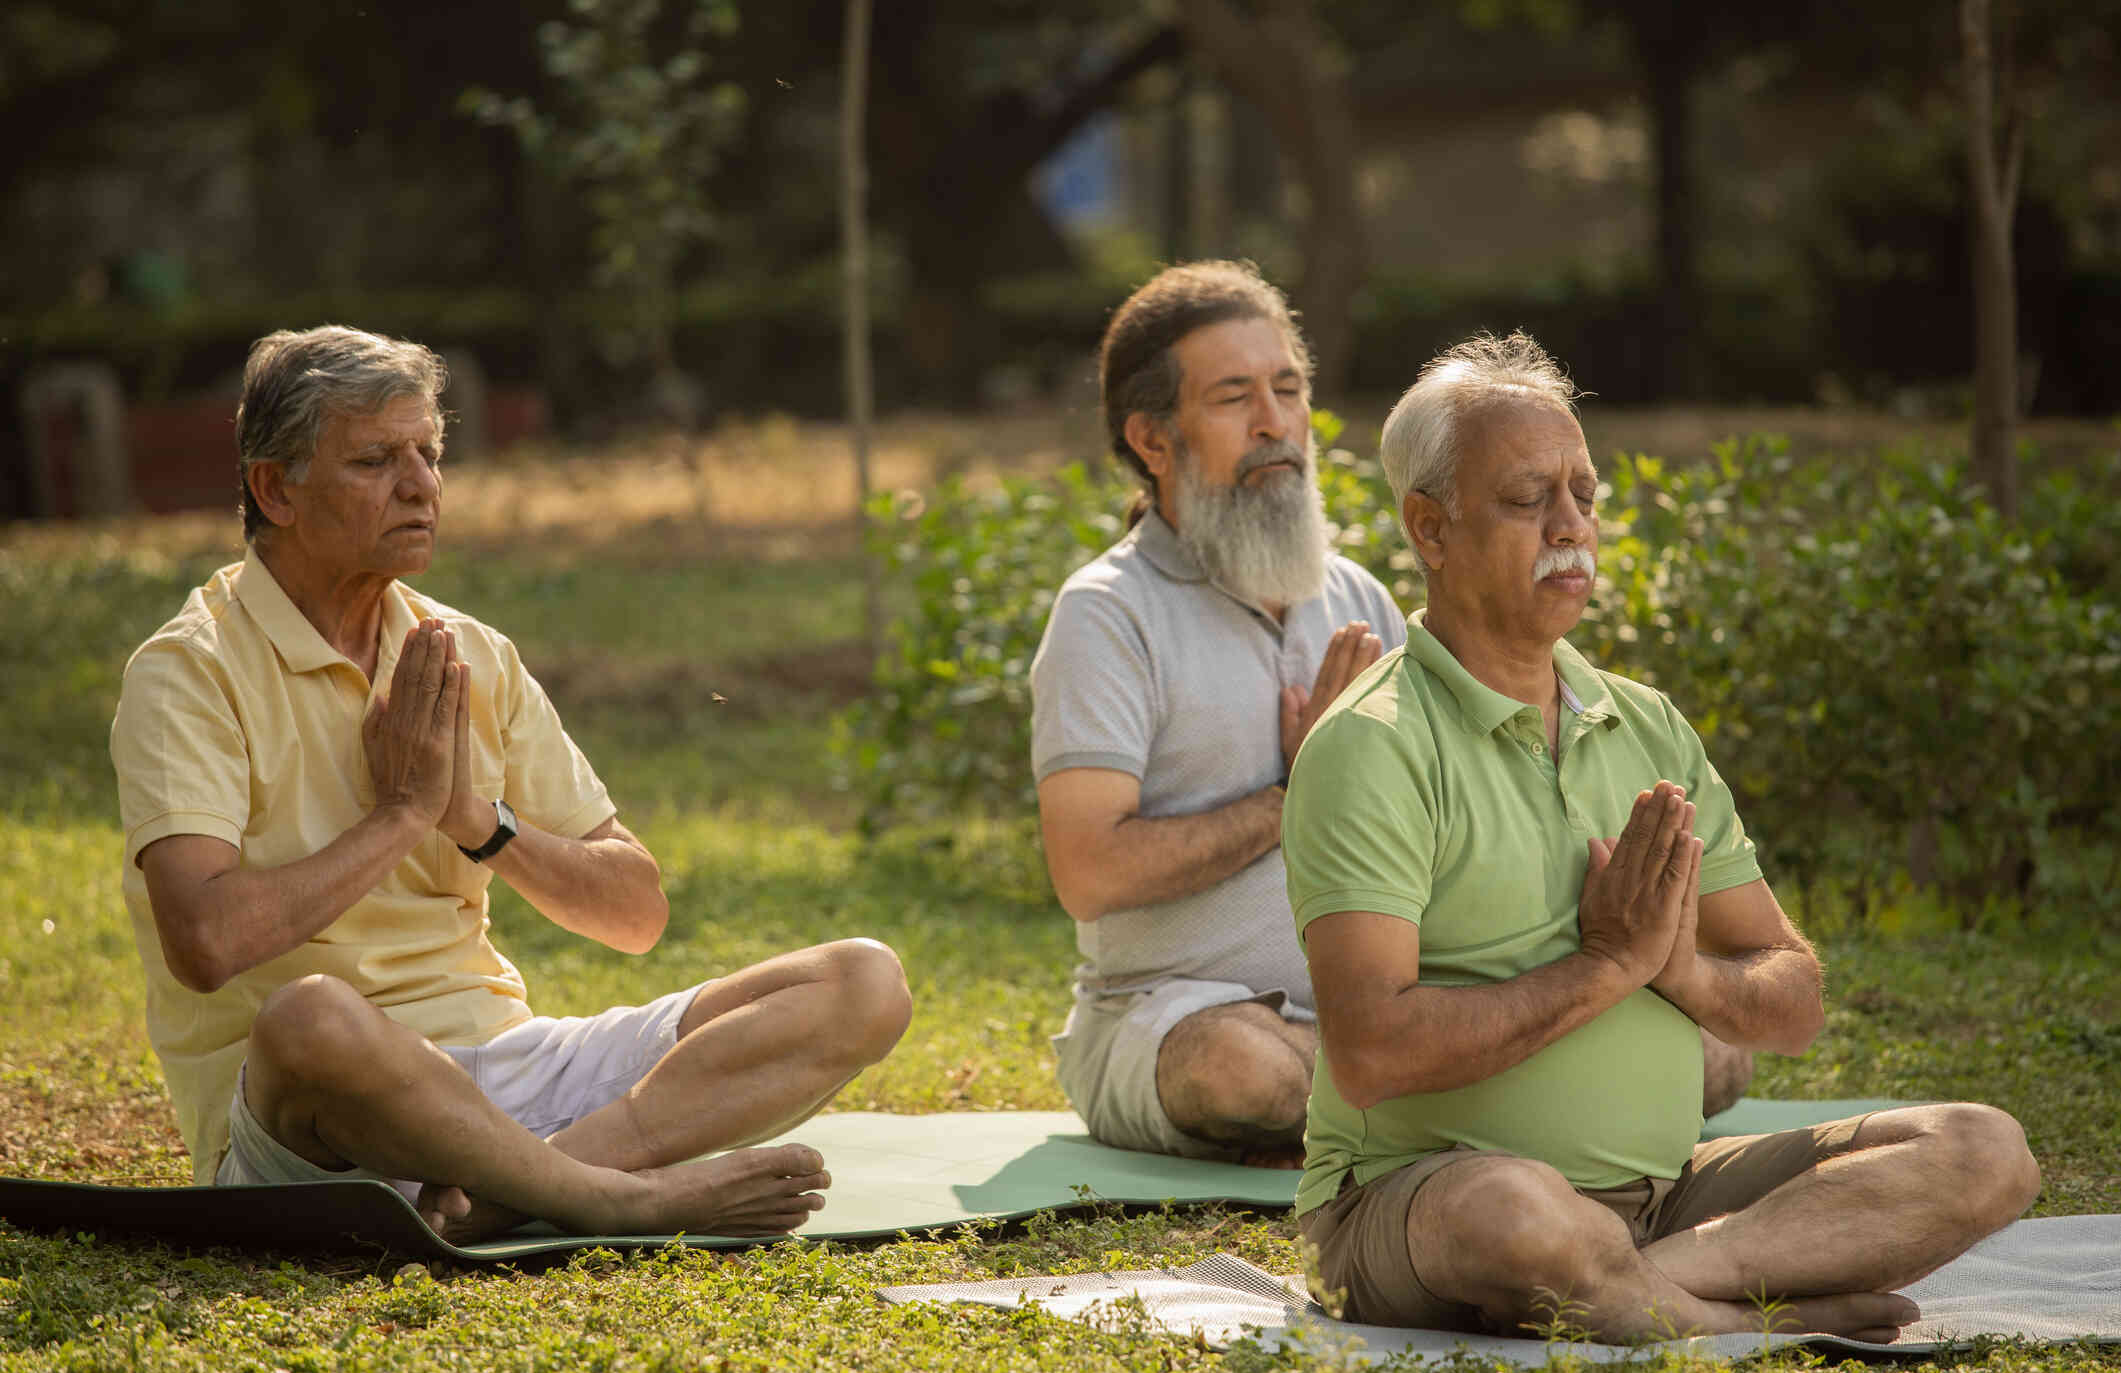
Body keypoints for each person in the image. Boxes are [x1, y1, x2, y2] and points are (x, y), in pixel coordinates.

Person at [1282, 331, 2041, 1343]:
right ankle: (1771, 1317)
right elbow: (1370, 1049)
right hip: (1418, 1202)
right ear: (1431, 528)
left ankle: (1659, 1287)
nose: (1571, 529)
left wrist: (1680, 973)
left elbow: (1793, 997)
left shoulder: (1644, 724)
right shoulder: (1372, 743)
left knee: (1985, 1149)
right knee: (1515, 1213)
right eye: (1527, 501)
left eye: (1584, 497)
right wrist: (1604, 968)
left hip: (1665, 1192)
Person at [110, 326, 911, 1241]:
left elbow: (635, 913)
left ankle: (514, 1193)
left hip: (507, 1070)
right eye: (375, 460)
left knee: (861, 981)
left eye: (429, 453)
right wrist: (403, 814)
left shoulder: (468, 651)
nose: (420, 487)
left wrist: (475, 820)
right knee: (311, 1018)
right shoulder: (189, 669)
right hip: (321, 1117)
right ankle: (621, 1198)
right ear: (273, 489)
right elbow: (207, 942)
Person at [1028, 261, 1403, 1165]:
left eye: (1288, 388)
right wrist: (1295, 791)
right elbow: (1089, 871)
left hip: (1374, 1009)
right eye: (1235, 397)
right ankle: (1434, 1102)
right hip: (1172, 1016)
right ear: (1154, 441)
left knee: (1705, 1056)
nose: (1275, 423)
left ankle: (1404, 1090)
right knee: (1243, 1073)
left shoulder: (1353, 595)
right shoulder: (1107, 612)